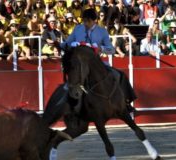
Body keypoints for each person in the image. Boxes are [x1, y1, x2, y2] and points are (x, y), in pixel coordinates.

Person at [48, 8, 137, 160]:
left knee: (119, 74)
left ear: (93, 20)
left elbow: (111, 49)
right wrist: (58, 44)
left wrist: (100, 48)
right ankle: (73, 110)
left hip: (97, 65)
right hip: (80, 66)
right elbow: (67, 44)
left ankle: (126, 103)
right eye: (83, 21)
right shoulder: (78, 29)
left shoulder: (102, 32)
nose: (85, 23)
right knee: (72, 83)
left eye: (87, 21)